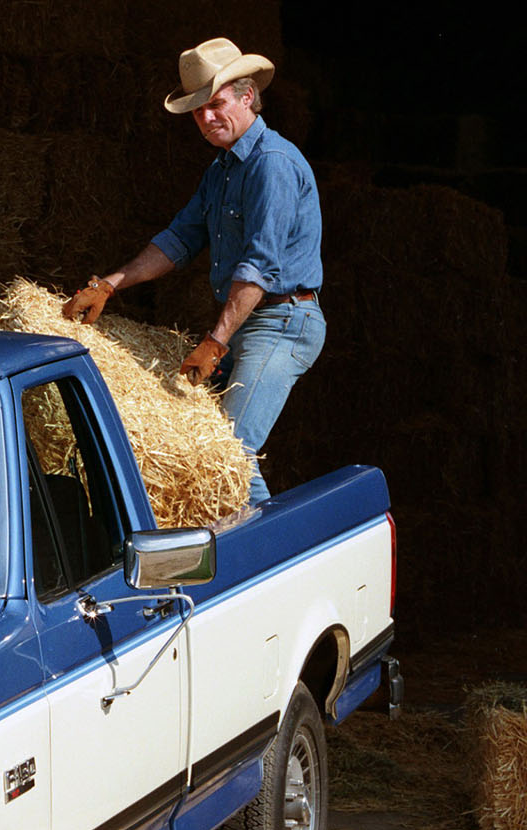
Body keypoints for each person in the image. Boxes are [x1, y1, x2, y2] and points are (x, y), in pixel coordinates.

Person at [62, 37, 324, 504]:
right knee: (190, 449)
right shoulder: (222, 171)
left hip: (282, 321)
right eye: (197, 111)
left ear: (248, 96)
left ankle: (274, 548)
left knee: (229, 456)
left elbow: (260, 265)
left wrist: (217, 341)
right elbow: (179, 240)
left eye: (215, 104)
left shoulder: (272, 165)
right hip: (249, 321)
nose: (206, 119)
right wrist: (109, 284)